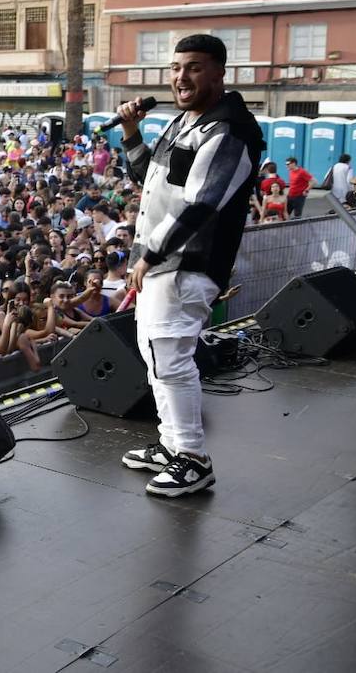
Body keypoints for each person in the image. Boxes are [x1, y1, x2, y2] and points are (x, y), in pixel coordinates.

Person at [117, 34, 263, 498]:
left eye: (195, 67)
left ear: (220, 73)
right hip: (164, 261)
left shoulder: (229, 130)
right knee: (156, 355)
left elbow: (203, 203)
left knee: (171, 359)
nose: (182, 76)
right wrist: (131, 133)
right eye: (177, 67)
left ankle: (194, 460)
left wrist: (150, 255)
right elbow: (150, 179)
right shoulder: (185, 121)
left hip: (188, 263)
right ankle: (172, 445)